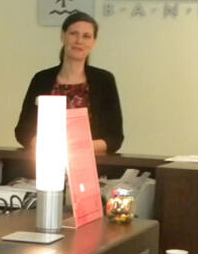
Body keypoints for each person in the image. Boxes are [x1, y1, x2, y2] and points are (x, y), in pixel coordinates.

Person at [14, 11, 123, 153]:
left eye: (86, 36)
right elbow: (23, 131)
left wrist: (76, 148)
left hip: (93, 165)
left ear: (93, 42)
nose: (79, 41)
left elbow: (114, 139)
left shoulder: (104, 80)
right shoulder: (41, 79)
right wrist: (44, 145)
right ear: (63, 36)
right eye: (73, 34)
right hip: (47, 161)